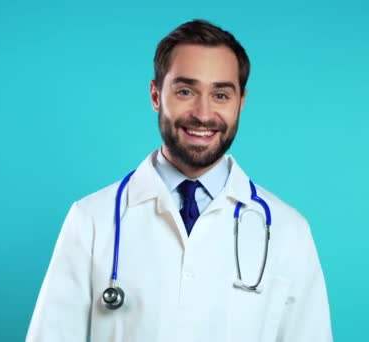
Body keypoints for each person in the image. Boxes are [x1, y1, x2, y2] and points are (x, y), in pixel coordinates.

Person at [26, 19, 332, 342]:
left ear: (241, 102)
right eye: (186, 91)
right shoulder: (91, 221)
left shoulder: (289, 233)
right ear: (156, 96)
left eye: (220, 95)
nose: (203, 113)